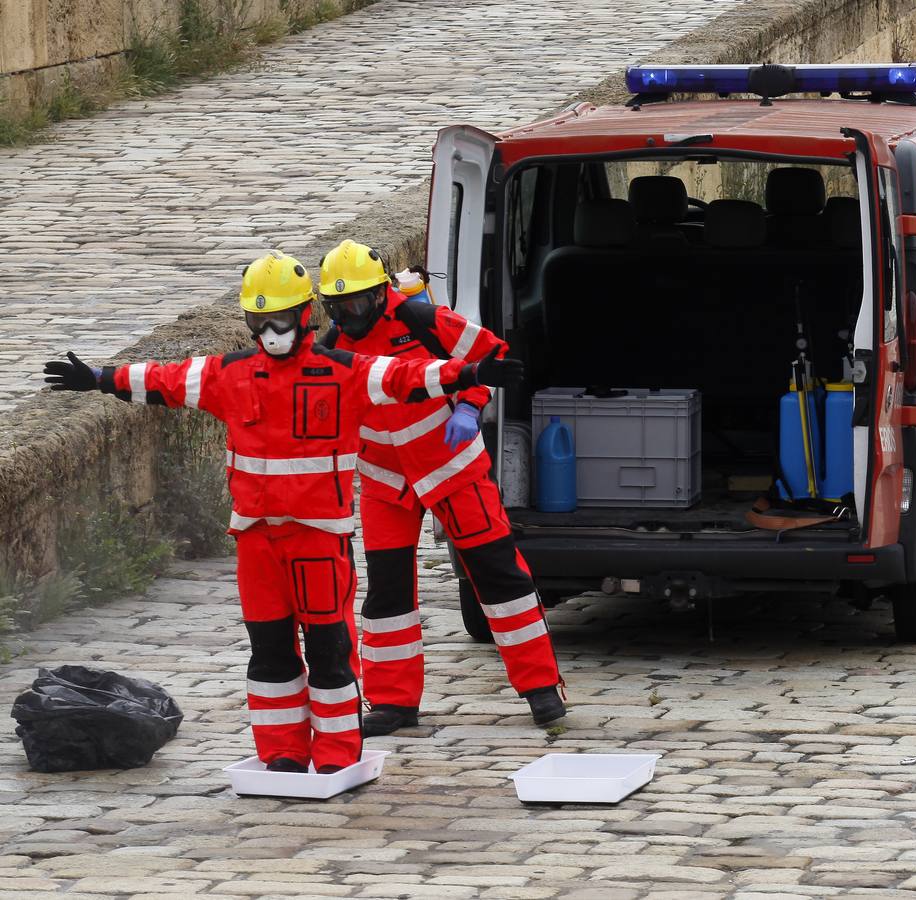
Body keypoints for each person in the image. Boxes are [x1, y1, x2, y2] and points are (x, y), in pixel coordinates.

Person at [39, 252, 523, 774]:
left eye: (281, 318)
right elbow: (165, 379)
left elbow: (408, 375)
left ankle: (338, 757)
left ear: (305, 315)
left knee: (328, 650)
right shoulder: (229, 374)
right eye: (259, 320)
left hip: (318, 539)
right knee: (268, 653)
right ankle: (281, 756)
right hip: (255, 541)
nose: (271, 330)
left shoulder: (344, 371)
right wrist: (99, 377)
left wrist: (469, 377)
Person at [315, 240, 566, 736]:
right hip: (386, 482)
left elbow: (490, 353)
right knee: (386, 594)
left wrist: (471, 404)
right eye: (339, 307)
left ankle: (541, 689)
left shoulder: (421, 319)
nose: (350, 315)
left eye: (358, 304)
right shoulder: (333, 346)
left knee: (499, 578)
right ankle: (392, 703)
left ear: (380, 294)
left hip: (453, 469)